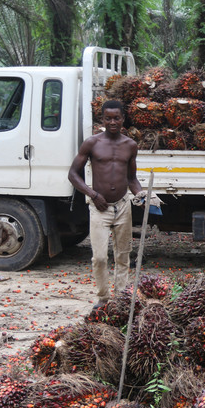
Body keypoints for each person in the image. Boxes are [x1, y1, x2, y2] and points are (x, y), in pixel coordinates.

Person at [68, 100, 142, 307]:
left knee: (123, 255)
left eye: (116, 118)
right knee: (99, 257)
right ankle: (103, 298)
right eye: (108, 118)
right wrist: (93, 194)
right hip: (99, 208)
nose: (112, 122)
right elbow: (73, 174)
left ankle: (121, 297)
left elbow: (132, 180)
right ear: (102, 119)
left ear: (123, 119)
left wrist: (143, 195)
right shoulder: (92, 143)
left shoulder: (130, 145)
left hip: (123, 206)